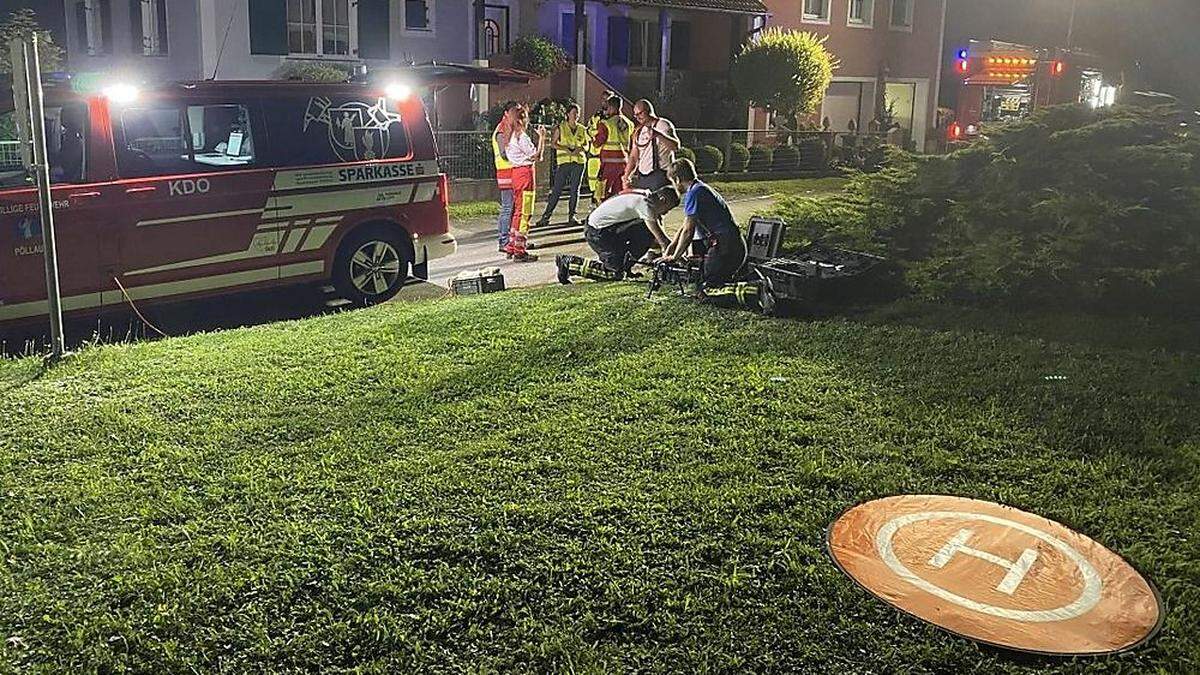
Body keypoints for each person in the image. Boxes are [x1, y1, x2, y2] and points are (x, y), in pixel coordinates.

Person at [658, 158, 773, 311]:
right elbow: (685, 226)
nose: (674, 186)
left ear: (677, 179)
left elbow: (688, 231)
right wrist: (671, 249)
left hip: (726, 247)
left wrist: (675, 257)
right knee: (706, 285)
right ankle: (752, 287)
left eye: (673, 181)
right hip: (731, 244)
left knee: (707, 291)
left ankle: (757, 289)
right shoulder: (699, 188)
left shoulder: (694, 193)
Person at [555, 186, 678, 284]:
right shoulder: (644, 204)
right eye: (668, 208)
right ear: (662, 200)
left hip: (611, 229)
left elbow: (656, 235)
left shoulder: (645, 195)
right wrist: (675, 256)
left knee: (646, 233)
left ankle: (625, 267)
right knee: (613, 274)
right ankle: (569, 262)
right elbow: (662, 241)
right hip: (597, 232)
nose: (667, 212)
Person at [504, 105, 547, 262]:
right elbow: (537, 156)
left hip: (515, 174)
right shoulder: (522, 137)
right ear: (522, 119)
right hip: (525, 174)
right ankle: (520, 250)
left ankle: (511, 245)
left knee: (518, 211)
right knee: (525, 212)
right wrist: (542, 137)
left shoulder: (508, 136)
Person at [537, 103, 588, 228]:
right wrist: (565, 148)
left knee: (575, 190)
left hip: (579, 162)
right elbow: (554, 144)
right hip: (564, 162)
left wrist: (580, 148)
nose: (576, 115)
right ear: (568, 114)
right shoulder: (561, 127)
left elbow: (587, 145)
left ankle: (572, 216)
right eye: (573, 113)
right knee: (557, 190)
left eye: (577, 113)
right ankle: (546, 217)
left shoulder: (582, 129)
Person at [624, 99, 679, 191]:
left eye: (640, 113)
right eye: (635, 115)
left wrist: (658, 135)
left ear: (648, 110)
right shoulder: (639, 131)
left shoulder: (663, 124)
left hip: (661, 175)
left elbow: (675, 147)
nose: (638, 117)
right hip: (643, 176)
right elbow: (633, 156)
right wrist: (626, 176)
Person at [591, 95, 633, 200]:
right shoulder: (629, 124)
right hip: (624, 162)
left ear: (612, 107)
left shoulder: (606, 123)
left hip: (609, 163)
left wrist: (592, 136)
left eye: (607, 107)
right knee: (619, 192)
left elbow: (598, 142)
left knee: (603, 192)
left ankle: (604, 214)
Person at [491, 102, 520, 253]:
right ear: (506, 113)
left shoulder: (509, 128)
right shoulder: (502, 130)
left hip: (512, 173)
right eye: (515, 111)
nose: (517, 114)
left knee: (513, 208)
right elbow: (504, 153)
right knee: (508, 208)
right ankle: (503, 240)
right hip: (506, 174)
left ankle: (512, 240)